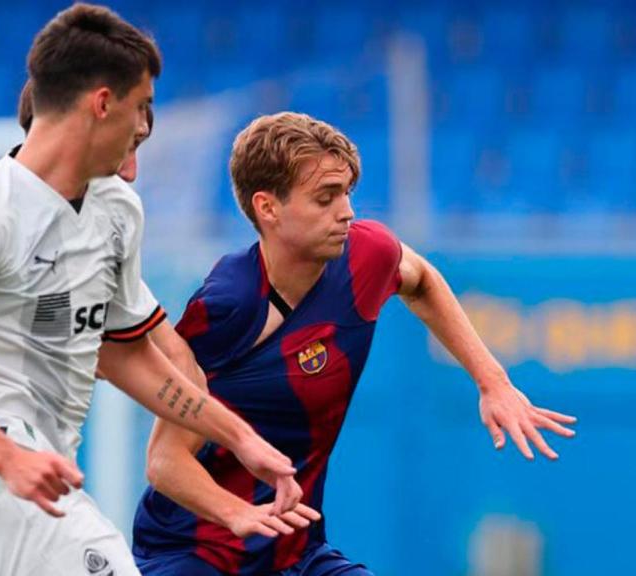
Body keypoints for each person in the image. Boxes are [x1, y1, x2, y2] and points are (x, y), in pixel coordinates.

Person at [0, 6, 300, 575]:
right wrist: (7, 458)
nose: (145, 128)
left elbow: (124, 353)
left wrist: (237, 437)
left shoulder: (113, 212)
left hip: (9, 475)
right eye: (142, 105)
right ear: (102, 102)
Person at [131, 112, 578, 575]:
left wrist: (493, 382)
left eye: (346, 193)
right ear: (268, 208)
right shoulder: (231, 305)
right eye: (325, 198)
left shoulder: (366, 255)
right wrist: (238, 514)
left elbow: (420, 280)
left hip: (297, 556)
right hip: (196, 555)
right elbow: (165, 461)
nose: (346, 212)